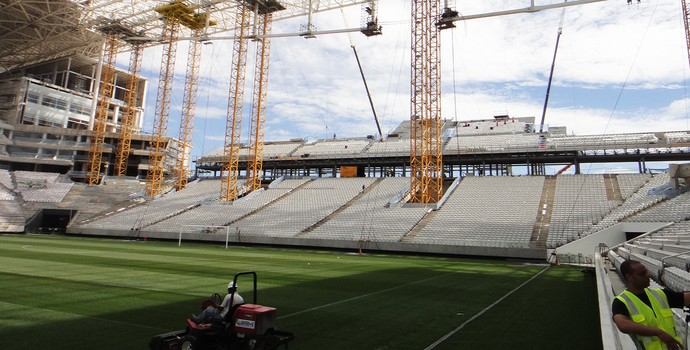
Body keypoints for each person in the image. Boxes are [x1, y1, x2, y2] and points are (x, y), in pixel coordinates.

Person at [612, 259, 690, 350]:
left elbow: (686, 298)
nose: (648, 275)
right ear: (629, 277)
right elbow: (623, 324)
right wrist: (657, 332)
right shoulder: (621, 301)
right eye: (642, 273)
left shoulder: (660, 294)